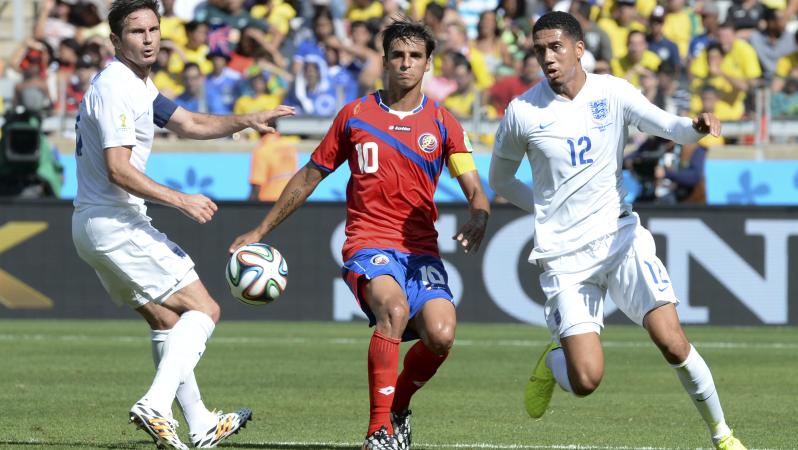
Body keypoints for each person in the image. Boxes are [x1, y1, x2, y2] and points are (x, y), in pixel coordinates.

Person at [488, 11, 747, 450]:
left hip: (620, 238)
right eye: (539, 50)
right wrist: (545, 210)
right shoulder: (523, 112)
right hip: (566, 258)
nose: (547, 58)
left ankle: (723, 435)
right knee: (587, 379)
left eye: (555, 47)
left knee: (672, 341)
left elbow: (669, 127)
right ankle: (555, 362)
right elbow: (500, 179)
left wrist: (696, 128)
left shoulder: (612, 92)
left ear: (579, 49)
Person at [229, 18, 490, 450]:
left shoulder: (444, 124)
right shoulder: (355, 116)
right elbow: (309, 177)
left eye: (415, 57)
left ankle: (399, 408)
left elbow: (474, 186)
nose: (405, 64)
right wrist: (260, 228)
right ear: (385, 61)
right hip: (369, 243)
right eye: (398, 56)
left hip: (421, 251)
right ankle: (377, 431)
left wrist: (480, 213)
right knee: (393, 308)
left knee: (442, 335)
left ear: (428, 64)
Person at [70, 1, 294, 449]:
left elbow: (189, 122)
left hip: (95, 226)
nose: (149, 38)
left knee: (165, 320)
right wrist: (181, 200)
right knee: (205, 310)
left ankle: (200, 424)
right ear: (115, 41)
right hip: (116, 223)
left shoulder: (139, 85)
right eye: (136, 32)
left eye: (153, 29)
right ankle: (155, 403)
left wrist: (246, 120)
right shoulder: (116, 86)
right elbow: (118, 168)